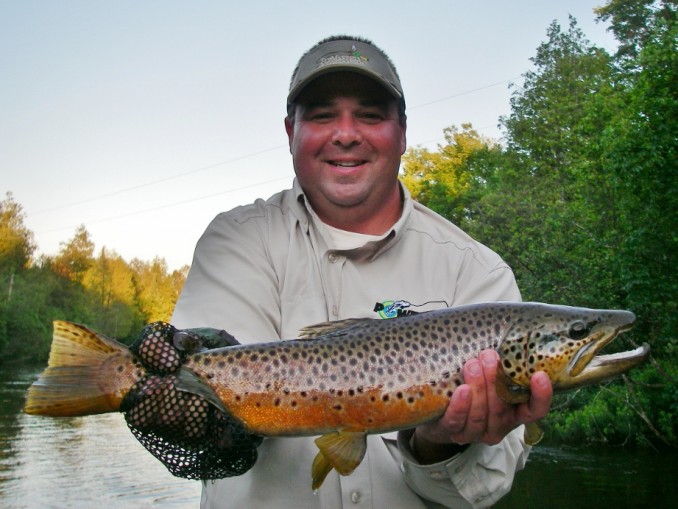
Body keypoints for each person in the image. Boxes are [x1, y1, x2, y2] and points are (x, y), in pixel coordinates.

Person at [171, 35, 552, 509]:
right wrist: (187, 409)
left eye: (370, 115)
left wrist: (437, 440)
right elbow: (219, 420)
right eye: (322, 114)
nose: (346, 134)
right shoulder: (237, 241)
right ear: (290, 131)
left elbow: (483, 490)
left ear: (403, 133)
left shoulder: (477, 273)